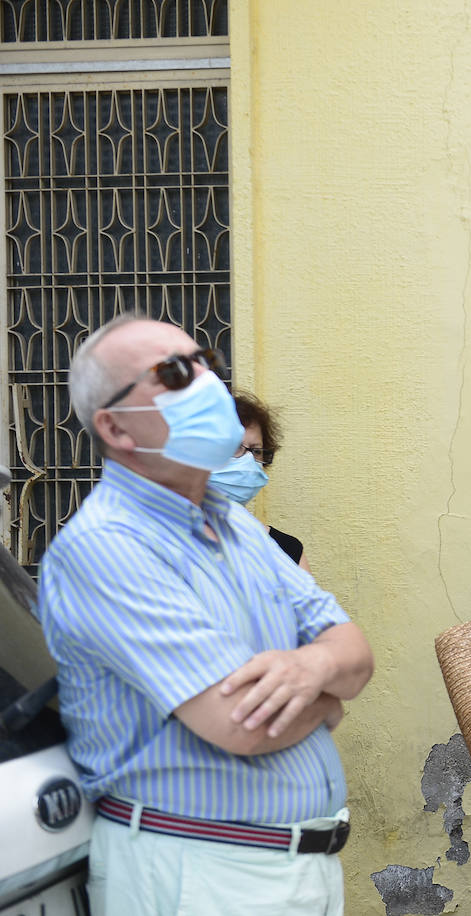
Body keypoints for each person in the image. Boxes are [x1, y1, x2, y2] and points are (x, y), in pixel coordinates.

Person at [36, 315, 374, 916]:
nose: (204, 383)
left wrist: (312, 667)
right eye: (172, 374)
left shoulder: (236, 524)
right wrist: (325, 695)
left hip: (294, 869)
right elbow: (243, 725)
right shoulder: (109, 546)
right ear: (114, 426)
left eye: (203, 363)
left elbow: (355, 655)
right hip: (201, 874)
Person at [210, 391, 310, 570]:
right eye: (234, 447)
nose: (247, 460)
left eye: (256, 451)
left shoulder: (287, 550)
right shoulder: (167, 542)